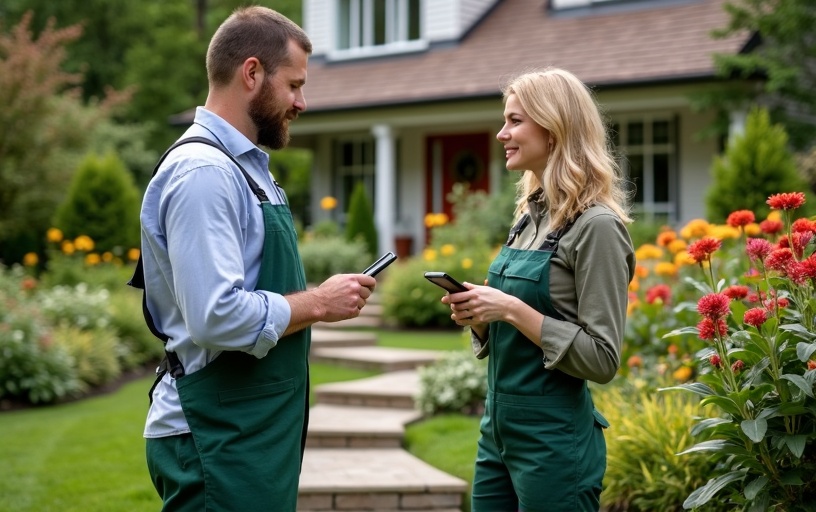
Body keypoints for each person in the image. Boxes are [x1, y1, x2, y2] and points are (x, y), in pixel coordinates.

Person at [134, 7, 376, 511]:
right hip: (215, 435)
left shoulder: (246, 169)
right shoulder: (204, 173)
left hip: (248, 430)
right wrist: (318, 303)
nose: (301, 102)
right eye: (294, 85)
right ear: (251, 73)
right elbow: (215, 316)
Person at [441, 68, 636, 511]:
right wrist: (480, 314)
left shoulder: (597, 228)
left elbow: (603, 358)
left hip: (554, 442)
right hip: (497, 432)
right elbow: (518, 319)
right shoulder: (529, 217)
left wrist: (509, 309)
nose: (501, 133)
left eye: (515, 121)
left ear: (553, 129)